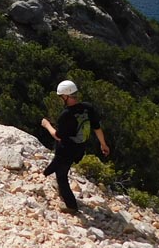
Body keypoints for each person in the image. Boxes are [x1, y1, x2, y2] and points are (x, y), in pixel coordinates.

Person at [39, 79, 110, 213]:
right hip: (79, 149)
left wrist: (46, 125)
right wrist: (103, 144)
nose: (60, 99)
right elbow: (97, 127)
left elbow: (58, 135)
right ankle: (49, 175)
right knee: (57, 169)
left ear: (66, 96)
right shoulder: (87, 108)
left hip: (66, 150)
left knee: (61, 175)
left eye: (61, 97)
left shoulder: (66, 115)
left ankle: (71, 206)